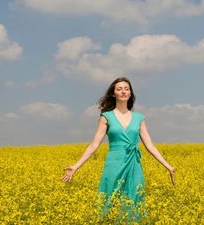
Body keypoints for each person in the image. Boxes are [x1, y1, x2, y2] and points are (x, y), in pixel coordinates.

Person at [61, 77, 176, 222]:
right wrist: (75, 167)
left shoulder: (139, 118)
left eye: (126, 89)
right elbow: (94, 145)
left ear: (130, 94)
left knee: (133, 201)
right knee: (110, 199)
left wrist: (168, 167)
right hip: (114, 164)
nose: (123, 91)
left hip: (133, 165)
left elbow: (150, 146)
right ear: (113, 93)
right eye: (119, 89)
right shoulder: (106, 117)